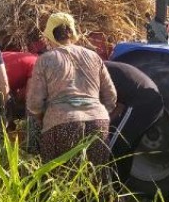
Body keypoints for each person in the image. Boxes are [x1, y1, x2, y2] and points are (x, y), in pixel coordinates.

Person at [26, 12, 117, 181]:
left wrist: (41, 118)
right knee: (97, 180)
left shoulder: (45, 60)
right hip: (98, 122)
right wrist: (98, 113)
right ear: (72, 32)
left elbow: (34, 103)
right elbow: (111, 96)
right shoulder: (94, 57)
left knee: (61, 181)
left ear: (50, 36)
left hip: (60, 124)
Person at [104, 61, 164, 186]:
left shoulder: (93, 71)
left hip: (140, 102)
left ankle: (104, 193)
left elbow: (116, 107)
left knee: (109, 148)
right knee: (125, 150)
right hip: (151, 102)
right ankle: (117, 191)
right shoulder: (103, 67)